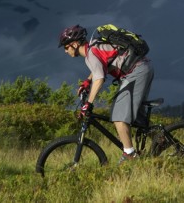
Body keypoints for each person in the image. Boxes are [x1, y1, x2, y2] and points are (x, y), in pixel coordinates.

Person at [59, 24, 154, 162]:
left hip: (136, 71)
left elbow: (100, 78)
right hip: (142, 68)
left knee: (118, 115)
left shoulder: (90, 53)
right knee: (137, 117)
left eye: (66, 47)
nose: (65, 51)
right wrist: (87, 81)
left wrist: (88, 104)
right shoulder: (93, 47)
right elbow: (100, 66)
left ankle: (129, 155)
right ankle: (160, 139)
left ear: (74, 44)